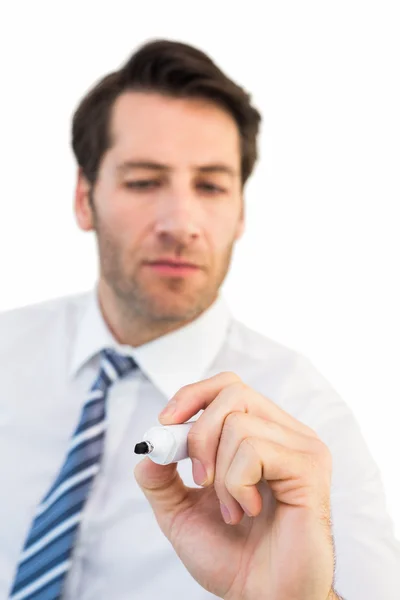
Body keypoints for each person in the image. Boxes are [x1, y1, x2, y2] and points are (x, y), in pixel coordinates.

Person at [0, 38, 398, 600]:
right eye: (143, 181)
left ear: (240, 213)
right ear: (84, 199)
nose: (181, 221)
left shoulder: (308, 429)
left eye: (210, 186)